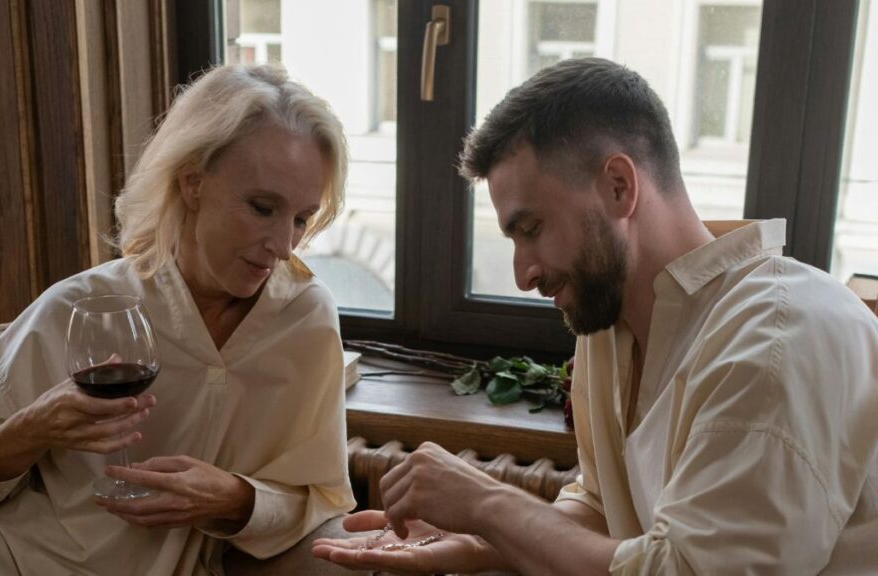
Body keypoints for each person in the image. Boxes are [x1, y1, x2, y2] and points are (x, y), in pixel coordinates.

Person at [313, 57, 878, 575]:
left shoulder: (777, 341)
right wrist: (481, 538)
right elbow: (606, 509)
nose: (522, 275)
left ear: (618, 186)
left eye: (531, 229)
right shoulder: (609, 325)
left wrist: (487, 504)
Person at [0, 64, 366, 576]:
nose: (283, 246)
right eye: (261, 207)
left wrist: (235, 498)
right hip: (26, 560)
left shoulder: (305, 319)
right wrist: (34, 426)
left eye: (301, 218)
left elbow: (323, 497)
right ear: (192, 183)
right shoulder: (82, 305)